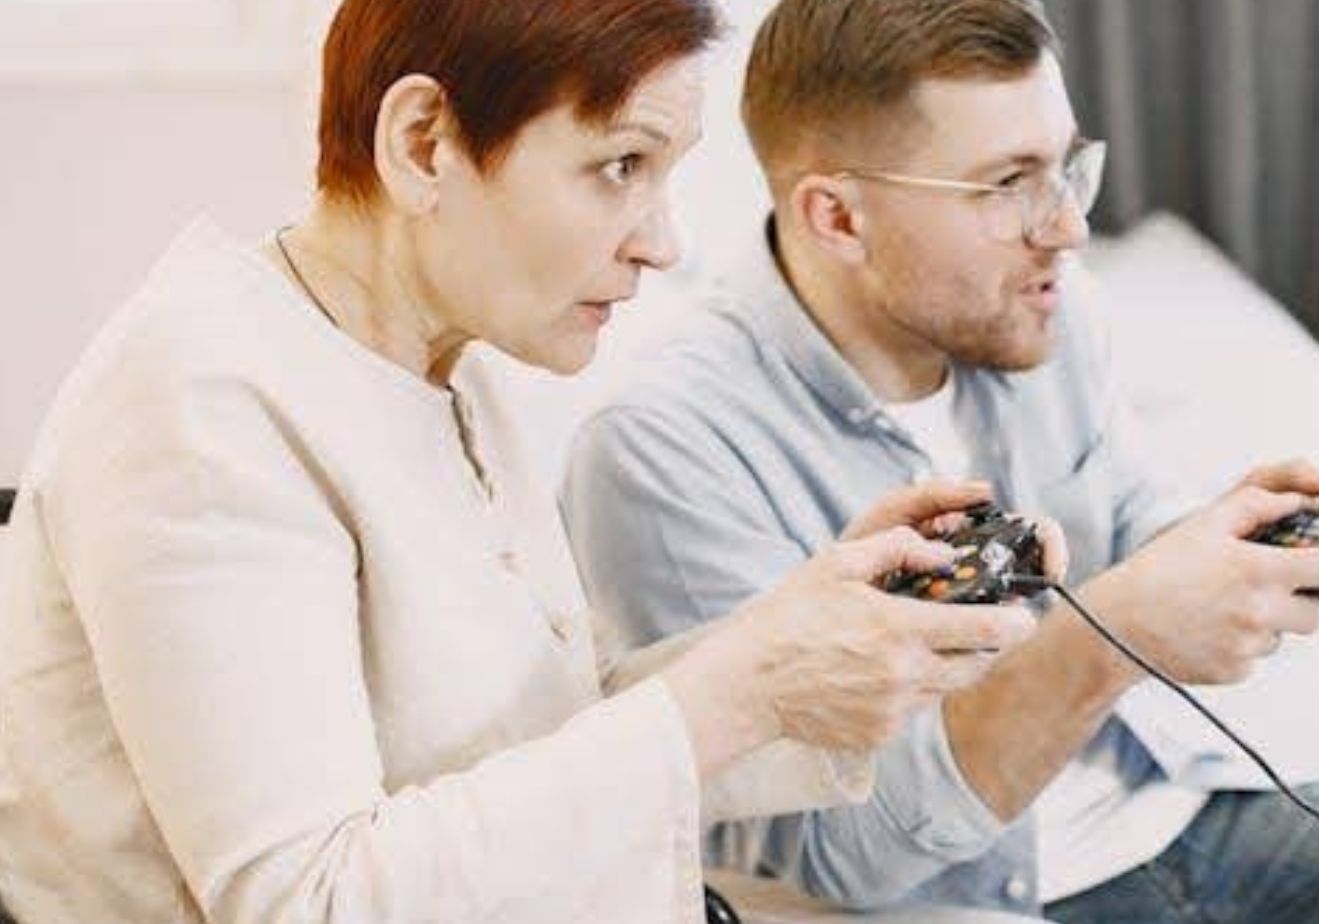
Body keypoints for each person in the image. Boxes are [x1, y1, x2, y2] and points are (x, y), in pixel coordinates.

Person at [559, 0, 1319, 921]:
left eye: (1065, 166)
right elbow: (847, 859)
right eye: (1008, 183)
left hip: (1188, 809)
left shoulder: (1040, 315)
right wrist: (1115, 632)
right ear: (835, 215)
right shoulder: (663, 446)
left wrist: (1221, 551)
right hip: (979, 895)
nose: (1066, 229)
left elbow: (1123, 518)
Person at [0, 1, 1046, 921]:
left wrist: (794, 649)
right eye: (620, 168)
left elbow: (544, 736)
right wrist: (739, 689)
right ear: (423, 143)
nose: (661, 242)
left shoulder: (456, 365)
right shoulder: (201, 408)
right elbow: (310, 899)